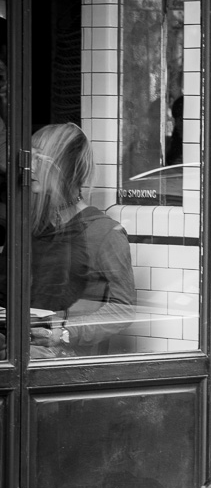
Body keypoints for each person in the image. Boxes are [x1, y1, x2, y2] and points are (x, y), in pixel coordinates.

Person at [0, 122, 135, 358]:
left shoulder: (104, 233)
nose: (29, 168)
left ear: (63, 168)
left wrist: (63, 333)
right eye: (28, 158)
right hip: (16, 350)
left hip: (60, 361)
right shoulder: (29, 228)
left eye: (38, 159)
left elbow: (122, 309)